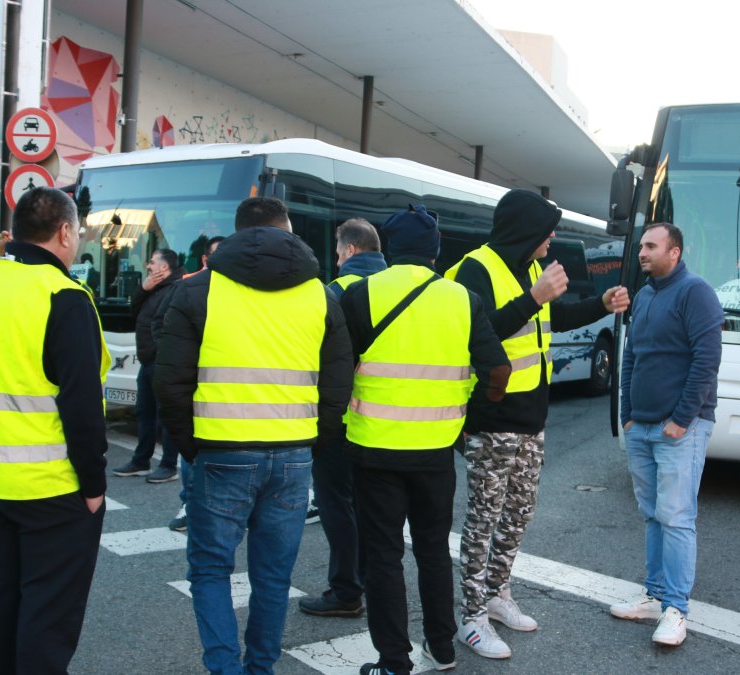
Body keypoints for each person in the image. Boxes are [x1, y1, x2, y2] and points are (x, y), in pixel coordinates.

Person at [153, 197, 353, 674]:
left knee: (209, 569)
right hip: (292, 454)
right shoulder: (320, 294)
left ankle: (225, 669)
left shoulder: (197, 289)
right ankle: (260, 668)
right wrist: (313, 438)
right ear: (287, 231)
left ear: (238, 232)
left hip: (221, 451)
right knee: (272, 576)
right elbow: (338, 379)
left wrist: (192, 446)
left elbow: (170, 381)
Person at [445, 188, 629, 659]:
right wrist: (533, 296)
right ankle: (472, 618)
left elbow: (555, 317)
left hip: (530, 418)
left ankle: (498, 593)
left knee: (519, 511)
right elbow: (478, 331)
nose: (552, 238)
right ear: (526, 230)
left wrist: (601, 304)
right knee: (482, 520)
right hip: (490, 417)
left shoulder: (529, 268)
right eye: (547, 229)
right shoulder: (474, 269)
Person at [0, 186, 110, 672]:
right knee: (48, 616)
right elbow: (82, 407)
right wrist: (94, 486)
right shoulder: (64, 297)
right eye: (76, 231)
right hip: (53, 488)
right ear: (64, 232)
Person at [342, 204, 510, 675]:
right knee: (433, 550)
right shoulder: (461, 298)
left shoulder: (361, 294)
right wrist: (467, 418)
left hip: (373, 448)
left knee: (384, 557)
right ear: (436, 251)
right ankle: (442, 647)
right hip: (436, 451)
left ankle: (394, 661)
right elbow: (497, 370)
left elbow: (337, 369)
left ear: (391, 249)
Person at [610, 222, 723, 647]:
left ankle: (676, 609)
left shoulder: (696, 292)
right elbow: (632, 356)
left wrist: (682, 418)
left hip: (681, 428)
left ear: (674, 252)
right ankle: (655, 594)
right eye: (642, 246)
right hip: (642, 425)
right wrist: (628, 415)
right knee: (654, 514)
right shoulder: (644, 295)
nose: (642, 252)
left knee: (676, 517)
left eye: (651, 246)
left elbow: (706, 360)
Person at [298, 217, 387, 619]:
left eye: (337, 253)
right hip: (387, 422)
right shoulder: (399, 289)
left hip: (340, 421)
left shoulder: (334, 292)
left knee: (337, 505)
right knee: (372, 508)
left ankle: (346, 590)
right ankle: (371, 581)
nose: (336, 261)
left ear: (350, 251)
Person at [166, 234, 225, 532]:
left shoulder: (239, 292)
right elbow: (160, 328)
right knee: (192, 458)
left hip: (225, 403)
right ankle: (189, 503)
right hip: (196, 394)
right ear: (205, 259)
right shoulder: (188, 288)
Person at [113, 248, 183, 483]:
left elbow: (166, 325)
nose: (148, 266)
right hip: (148, 361)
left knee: (166, 415)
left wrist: (158, 353)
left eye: (152, 263)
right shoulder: (155, 288)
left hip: (161, 361)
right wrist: (143, 289)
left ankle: (169, 465)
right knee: (145, 412)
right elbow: (135, 312)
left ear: (164, 267)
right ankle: (141, 460)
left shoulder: (177, 288)